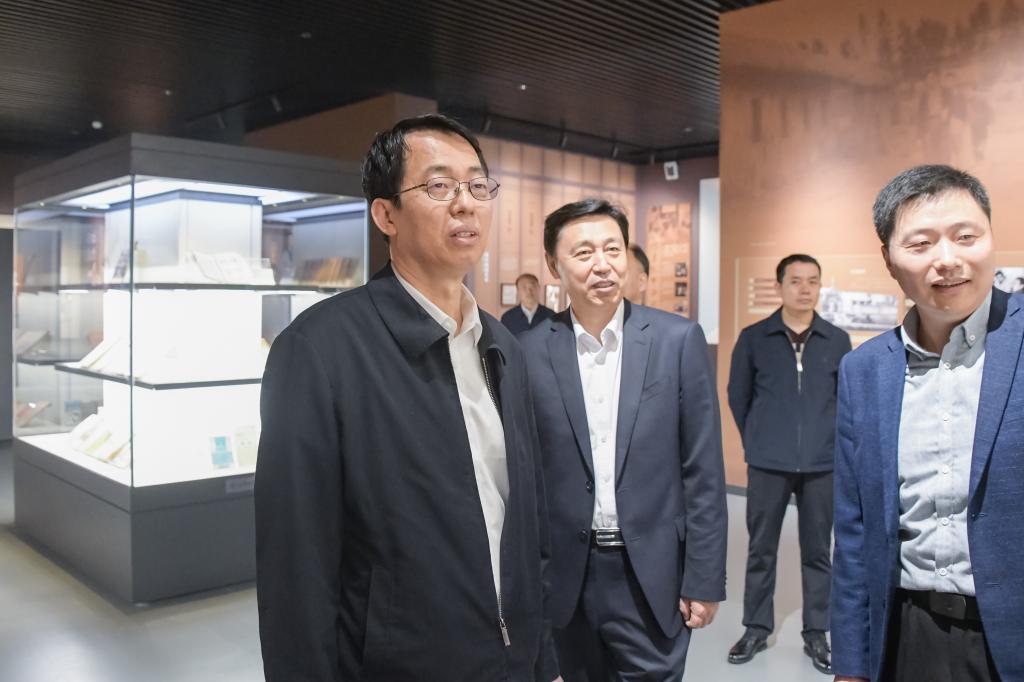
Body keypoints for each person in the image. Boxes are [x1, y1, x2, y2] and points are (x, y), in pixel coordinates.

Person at [254, 114, 560, 681]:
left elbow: (527, 524)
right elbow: (295, 568)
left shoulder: (502, 347)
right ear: (386, 215)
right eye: (439, 186)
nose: (465, 204)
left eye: (477, 185)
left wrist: (544, 660)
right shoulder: (320, 349)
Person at [520, 198, 727, 681]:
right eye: (584, 252)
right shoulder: (526, 352)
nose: (602, 264)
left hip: (650, 573)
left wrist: (703, 577)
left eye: (613, 249)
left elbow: (703, 470)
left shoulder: (677, 340)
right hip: (565, 578)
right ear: (553, 264)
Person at [832, 164, 1024, 682]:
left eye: (966, 237)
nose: (947, 260)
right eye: (920, 244)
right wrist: (851, 661)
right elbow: (854, 528)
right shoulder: (864, 370)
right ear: (889, 260)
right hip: (909, 632)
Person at [726, 254, 852, 674]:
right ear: (779, 286)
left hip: (821, 463)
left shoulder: (836, 340)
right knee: (760, 548)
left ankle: (817, 632)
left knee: (818, 552)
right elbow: (738, 395)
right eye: (796, 280)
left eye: (812, 281)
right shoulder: (754, 338)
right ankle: (756, 628)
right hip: (768, 462)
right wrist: (757, 440)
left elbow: (844, 400)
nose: (805, 289)